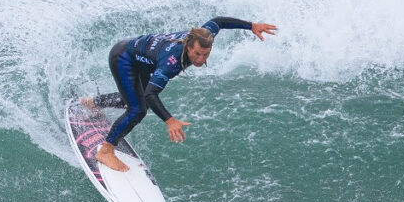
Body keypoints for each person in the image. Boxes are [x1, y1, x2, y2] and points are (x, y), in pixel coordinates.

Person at [84, 17, 277, 172]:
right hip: (124, 58)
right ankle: (106, 150)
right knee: (138, 110)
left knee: (134, 98)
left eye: (206, 54)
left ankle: (92, 103)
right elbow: (152, 93)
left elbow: (219, 22)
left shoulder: (202, 36)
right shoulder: (172, 62)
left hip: (138, 57)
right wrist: (169, 120)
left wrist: (251, 25)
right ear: (188, 46)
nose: (201, 59)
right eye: (197, 54)